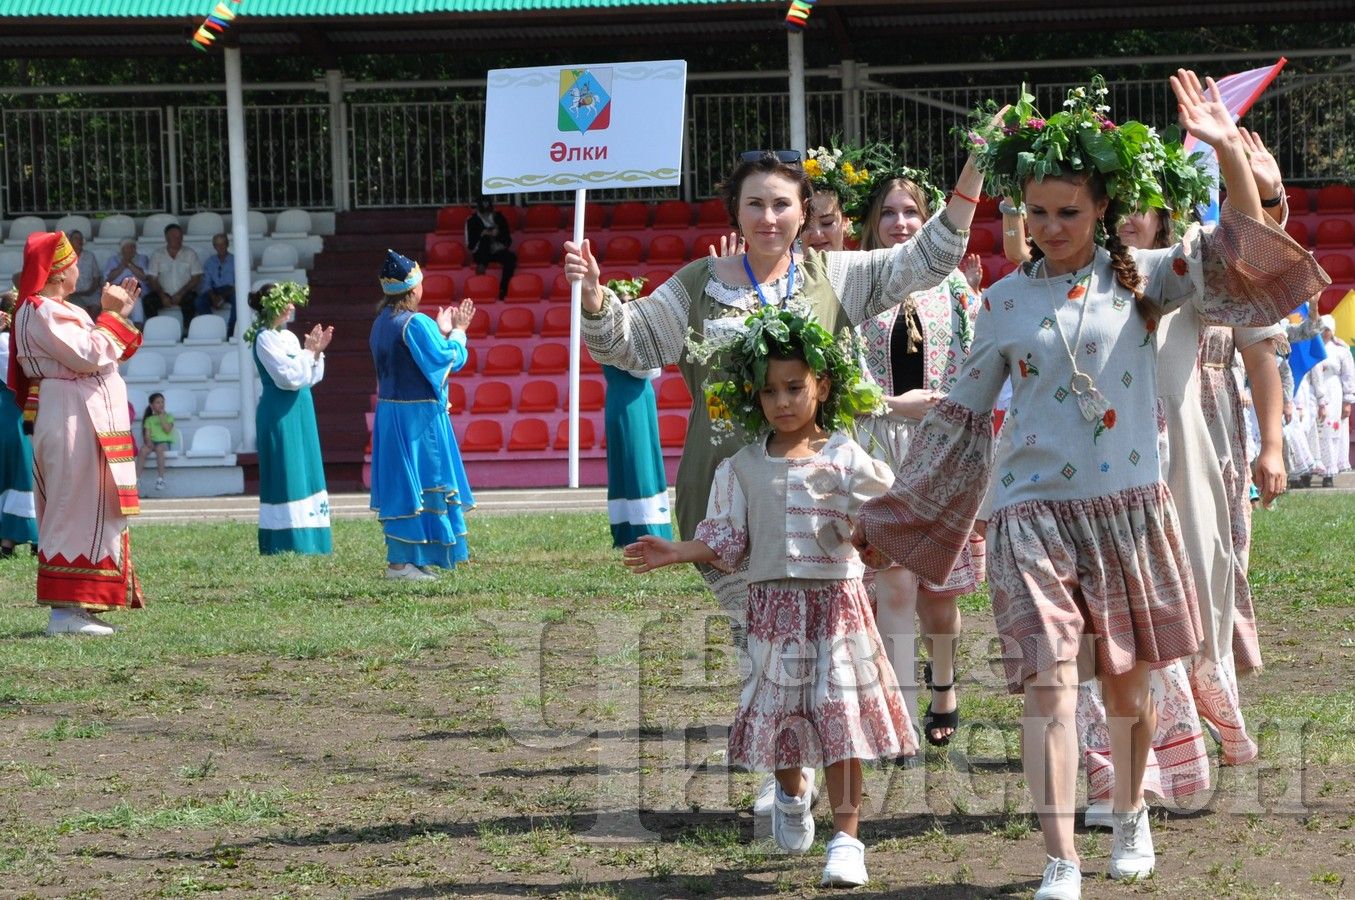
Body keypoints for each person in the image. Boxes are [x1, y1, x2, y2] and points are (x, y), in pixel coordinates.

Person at [854, 72, 1328, 900]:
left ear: (1102, 208)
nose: (1048, 227)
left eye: (1066, 212)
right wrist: (894, 515)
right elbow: (961, 420)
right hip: (1029, 517)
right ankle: (1060, 858)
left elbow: (1247, 257)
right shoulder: (999, 300)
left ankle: (1131, 814)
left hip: (1129, 514)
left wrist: (1224, 150)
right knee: (1048, 685)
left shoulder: (1151, 276)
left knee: (1127, 693)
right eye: (1035, 211)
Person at [624, 306, 912, 888]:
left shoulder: (846, 457)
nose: (782, 401)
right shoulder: (742, 467)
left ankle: (847, 838)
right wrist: (675, 551)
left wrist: (875, 540)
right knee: (785, 724)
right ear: (753, 396)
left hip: (838, 609)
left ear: (822, 386)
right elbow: (726, 538)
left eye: (795, 387)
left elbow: (886, 517)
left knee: (841, 721)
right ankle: (789, 793)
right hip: (774, 614)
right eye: (769, 391)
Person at [855, 162, 983, 750]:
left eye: (911, 211)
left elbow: (978, 367)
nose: (901, 223)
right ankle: (897, 712)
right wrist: (889, 403)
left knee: (940, 596)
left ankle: (944, 687)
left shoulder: (953, 285)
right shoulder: (856, 284)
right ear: (871, 222)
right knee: (893, 585)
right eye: (888, 212)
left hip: (941, 451)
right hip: (877, 446)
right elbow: (839, 378)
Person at [12, 231, 146, 637]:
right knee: (73, 505)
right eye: (72, 263)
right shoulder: (41, 310)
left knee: (91, 505)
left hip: (80, 414)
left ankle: (79, 606)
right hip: (70, 415)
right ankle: (64, 612)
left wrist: (116, 315)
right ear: (56, 272)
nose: (78, 269)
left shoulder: (57, 309)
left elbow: (108, 351)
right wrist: (109, 313)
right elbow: (89, 356)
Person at [369, 250, 476, 580]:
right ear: (413, 288)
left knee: (403, 484)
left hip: (390, 414)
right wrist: (457, 331)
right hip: (416, 420)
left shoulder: (381, 323)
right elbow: (447, 359)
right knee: (422, 482)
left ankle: (410, 558)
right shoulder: (415, 323)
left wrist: (440, 331)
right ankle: (400, 565)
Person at [247, 281, 334, 555]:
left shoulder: (289, 338)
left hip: (301, 407)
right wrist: (309, 354)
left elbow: (310, 376)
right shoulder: (263, 338)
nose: (292, 306)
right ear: (272, 304)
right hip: (280, 411)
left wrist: (316, 352)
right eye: (287, 301)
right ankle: (287, 541)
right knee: (287, 471)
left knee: (306, 468)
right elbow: (287, 378)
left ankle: (313, 540)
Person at [601, 278, 673, 547]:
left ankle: (634, 528)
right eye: (621, 299)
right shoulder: (613, 333)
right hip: (630, 399)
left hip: (634, 397)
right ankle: (645, 528)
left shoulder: (613, 331)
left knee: (637, 458)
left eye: (630, 299)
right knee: (636, 461)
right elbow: (645, 369)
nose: (626, 304)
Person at [0, 291, 38, 558]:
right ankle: (23, 537)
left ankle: (8, 539)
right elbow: (18, 378)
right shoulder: (7, 343)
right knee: (23, 473)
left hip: (9, 412)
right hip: (15, 413)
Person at [1313, 314, 1355, 483]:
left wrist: (1348, 401)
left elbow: (1348, 376)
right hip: (1313, 392)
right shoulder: (1312, 348)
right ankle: (1310, 469)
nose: (1324, 333)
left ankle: (1329, 472)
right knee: (1314, 430)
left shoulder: (1341, 350)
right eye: (1321, 329)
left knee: (1331, 429)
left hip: (1334, 391)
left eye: (1327, 330)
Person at [145, 223, 203, 331]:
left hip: (184, 292)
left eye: (180, 236)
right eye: (175, 236)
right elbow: (152, 279)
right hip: (163, 293)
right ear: (167, 237)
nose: (179, 239)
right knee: (148, 301)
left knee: (192, 300)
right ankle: (153, 330)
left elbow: (196, 277)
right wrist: (162, 296)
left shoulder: (190, 253)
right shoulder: (157, 254)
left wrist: (181, 294)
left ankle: (188, 331)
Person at [465, 196, 517, 301]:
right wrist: (482, 234)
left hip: (497, 250)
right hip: (480, 252)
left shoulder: (500, 218)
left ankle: (503, 289)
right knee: (485, 240)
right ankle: (482, 266)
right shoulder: (471, 221)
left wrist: (497, 235)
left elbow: (508, 241)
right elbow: (470, 245)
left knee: (511, 258)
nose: (486, 214)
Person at [196, 233, 237, 337]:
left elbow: (238, 284)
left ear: (227, 244)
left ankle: (231, 330)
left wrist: (222, 297)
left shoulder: (235, 260)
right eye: (217, 245)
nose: (220, 247)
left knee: (239, 300)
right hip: (214, 290)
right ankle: (212, 327)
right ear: (214, 246)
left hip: (231, 290)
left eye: (223, 244)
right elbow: (206, 284)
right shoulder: (209, 262)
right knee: (199, 301)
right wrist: (213, 297)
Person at [103, 239, 151, 325]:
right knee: (130, 295)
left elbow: (144, 276)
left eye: (132, 247)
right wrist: (122, 265)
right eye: (127, 247)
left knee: (135, 295)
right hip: (119, 290)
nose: (130, 249)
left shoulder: (142, 258)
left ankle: (137, 325)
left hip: (139, 291)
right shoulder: (113, 260)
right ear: (122, 250)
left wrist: (129, 264)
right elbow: (108, 278)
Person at [136, 391, 176, 493]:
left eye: (162, 402)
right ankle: (136, 479)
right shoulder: (149, 419)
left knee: (159, 449)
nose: (161, 404)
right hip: (153, 442)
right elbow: (147, 434)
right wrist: (148, 442)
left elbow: (167, 429)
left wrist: (162, 416)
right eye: (158, 402)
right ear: (151, 405)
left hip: (164, 443)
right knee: (143, 450)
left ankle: (161, 479)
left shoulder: (169, 416)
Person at [66, 230, 101, 318]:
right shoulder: (66, 257)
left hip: (90, 292)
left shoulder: (90, 256)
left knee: (96, 305)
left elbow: (96, 277)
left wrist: (90, 291)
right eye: (76, 238)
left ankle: (91, 329)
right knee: (80, 309)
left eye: (81, 238)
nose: (79, 240)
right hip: (73, 294)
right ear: (70, 241)